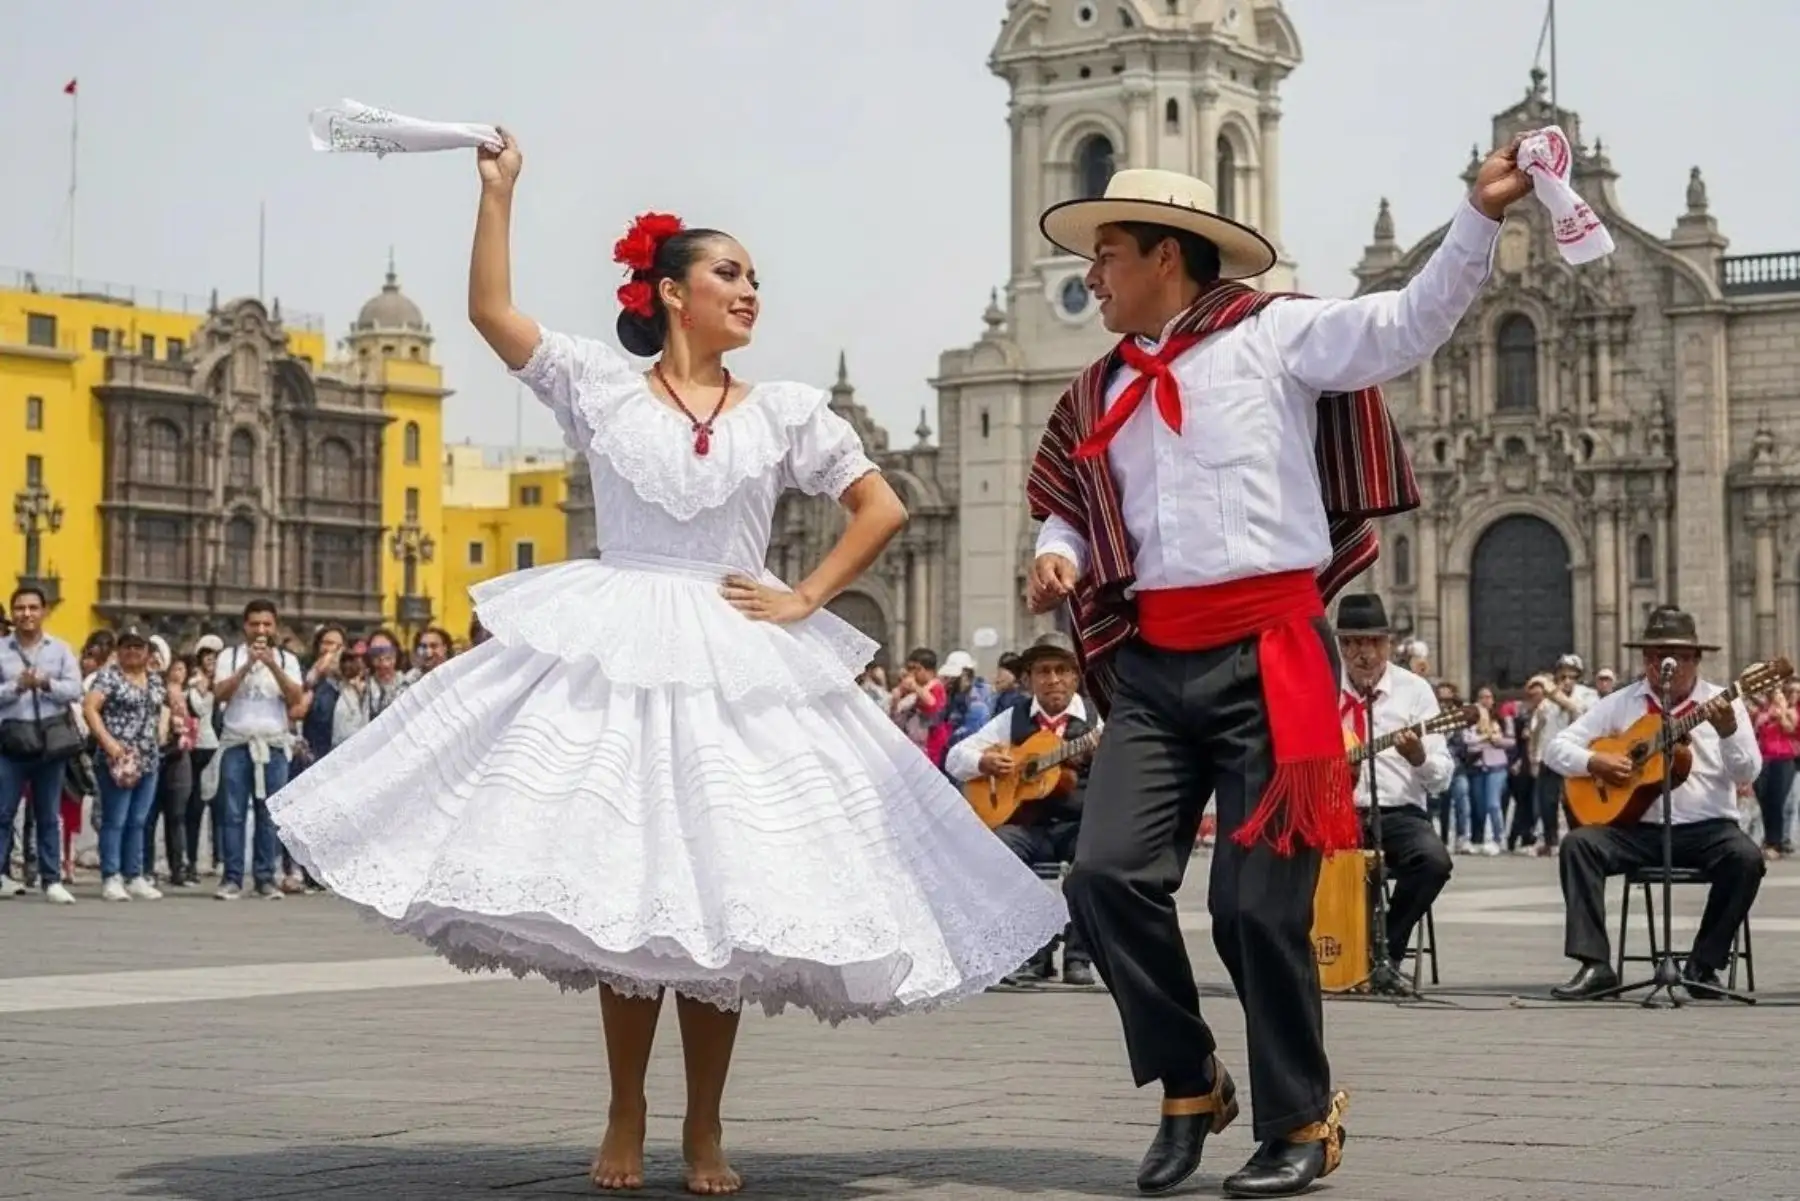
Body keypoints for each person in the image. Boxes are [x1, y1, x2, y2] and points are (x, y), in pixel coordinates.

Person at [268, 130, 1065, 1197]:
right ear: (672, 293)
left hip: (735, 651)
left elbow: (882, 506)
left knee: (719, 905)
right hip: (621, 641)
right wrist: (498, 193)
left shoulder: (784, 410)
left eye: (755, 276)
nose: (750, 289)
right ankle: (625, 1105)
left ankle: (704, 1120)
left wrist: (806, 595)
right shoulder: (602, 387)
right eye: (729, 272)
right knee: (630, 894)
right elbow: (492, 313)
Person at [1023, 141, 1529, 1197]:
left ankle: (1302, 1117)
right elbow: (1068, 499)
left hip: (1269, 658)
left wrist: (1478, 216)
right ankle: (1190, 1080)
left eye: (1107, 253)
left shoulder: (1277, 334)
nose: (1092, 274)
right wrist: (1055, 552)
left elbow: (1406, 323)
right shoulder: (1098, 388)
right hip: (1154, 664)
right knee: (1104, 877)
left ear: (1167, 255)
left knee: (1255, 908)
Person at [1544, 606, 1766, 1000]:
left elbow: (1747, 771)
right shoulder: (1622, 702)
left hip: (1707, 827)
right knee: (1579, 845)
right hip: (1639, 829)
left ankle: (1704, 963)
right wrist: (1595, 761)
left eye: (1673, 656)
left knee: (1747, 859)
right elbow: (1555, 748)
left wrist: (1729, 732)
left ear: (1695, 659)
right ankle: (1595, 965)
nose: (1660, 665)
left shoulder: (1723, 703)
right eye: (1652, 656)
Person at [945, 631, 1100, 986]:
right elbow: (955, 757)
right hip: (1029, 827)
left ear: (1076, 676)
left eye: (1062, 670)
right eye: (1043, 671)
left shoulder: (1098, 721)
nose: (1053, 680)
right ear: (1029, 679)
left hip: (1080, 824)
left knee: (1094, 863)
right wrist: (983, 762)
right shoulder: (1011, 718)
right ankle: (1032, 953)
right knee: (999, 850)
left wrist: (1102, 755)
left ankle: (1079, 956)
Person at [1334, 595, 1454, 972]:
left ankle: (1384, 950)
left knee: (1433, 863)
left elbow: (1441, 778)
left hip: (1398, 813)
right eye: (1353, 643)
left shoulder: (1414, 690)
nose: (1365, 653)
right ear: (1341, 646)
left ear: (1389, 644)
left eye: (1374, 642)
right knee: (1286, 861)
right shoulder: (1321, 686)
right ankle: (1323, 954)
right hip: (1334, 811)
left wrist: (1419, 757)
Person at [210, 600, 307, 900]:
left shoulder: (287, 659)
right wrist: (247, 666)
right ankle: (232, 878)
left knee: (269, 814)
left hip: (273, 744)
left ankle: (265, 877)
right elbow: (219, 694)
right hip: (237, 742)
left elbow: (295, 698)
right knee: (233, 813)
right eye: (255, 624)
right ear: (245, 626)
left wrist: (272, 665)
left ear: (275, 627)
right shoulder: (230, 656)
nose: (261, 630)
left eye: (267, 624)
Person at [0, 585, 82, 904]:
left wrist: (47, 683)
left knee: (48, 814)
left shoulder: (60, 650)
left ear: (44, 611)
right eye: (20, 608)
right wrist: (16, 686)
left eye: (33, 608)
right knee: (3, 812)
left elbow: (74, 689)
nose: (27, 614)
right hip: (11, 741)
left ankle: (52, 879)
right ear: (13, 614)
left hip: (51, 741)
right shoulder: (2, 649)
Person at [82, 625, 169, 902]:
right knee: (115, 819)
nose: (132, 651)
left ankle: (134, 874)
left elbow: (162, 708)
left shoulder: (154, 680)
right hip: (116, 758)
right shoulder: (109, 677)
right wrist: (108, 742)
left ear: (148, 650)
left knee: (139, 819)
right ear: (118, 650)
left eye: (138, 646)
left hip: (148, 757)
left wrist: (162, 732)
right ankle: (111, 875)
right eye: (127, 646)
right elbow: (90, 708)